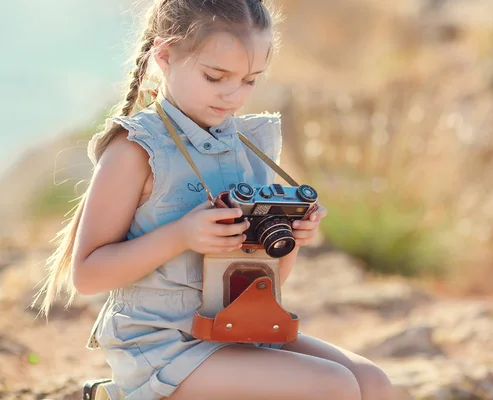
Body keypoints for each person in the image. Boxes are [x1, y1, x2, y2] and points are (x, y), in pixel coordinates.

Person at [32, 0, 394, 399]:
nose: (233, 96)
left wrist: (288, 239)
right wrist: (182, 236)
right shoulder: (136, 150)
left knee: (373, 383)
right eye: (215, 77)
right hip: (164, 347)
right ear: (165, 55)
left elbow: (264, 283)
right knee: (334, 387)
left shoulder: (247, 146)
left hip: (240, 330)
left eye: (250, 80)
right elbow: (87, 276)